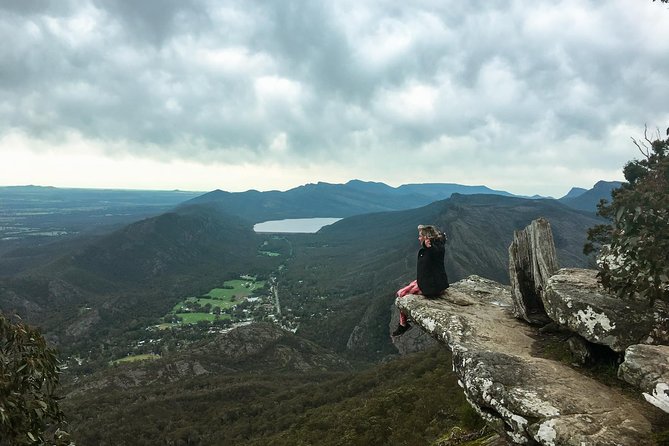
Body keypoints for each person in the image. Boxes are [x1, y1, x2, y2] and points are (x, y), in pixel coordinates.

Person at [392, 224, 449, 337]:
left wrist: (428, 246)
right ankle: (403, 324)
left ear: (426, 238)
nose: (418, 238)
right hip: (427, 281)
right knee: (402, 291)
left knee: (401, 294)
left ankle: (403, 325)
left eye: (420, 236)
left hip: (431, 285)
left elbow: (436, 251)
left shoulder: (434, 249)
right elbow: (441, 237)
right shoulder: (436, 245)